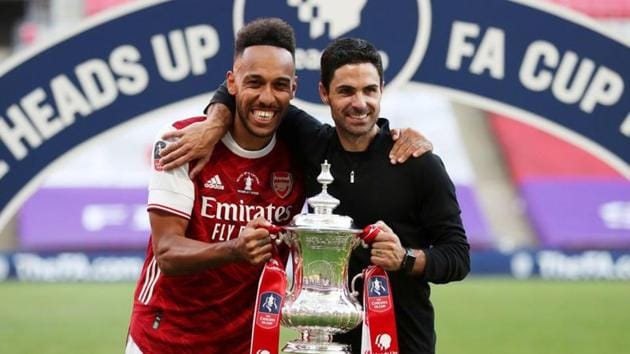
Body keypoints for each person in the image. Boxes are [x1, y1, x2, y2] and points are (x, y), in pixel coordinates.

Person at [161, 38, 470, 353]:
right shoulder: (311, 143)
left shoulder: (417, 163)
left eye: (369, 90)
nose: (360, 103)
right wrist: (214, 125)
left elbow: (458, 256)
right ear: (324, 93)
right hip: (320, 343)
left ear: (381, 90)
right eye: (346, 91)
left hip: (400, 343)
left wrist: (404, 258)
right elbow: (240, 88)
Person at [125, 18, 306, 353]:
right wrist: (235, 248)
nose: (267, 97)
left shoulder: (301, 154)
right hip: (162, 338)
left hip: (244, 343)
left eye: (279, 85)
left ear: (294, 89)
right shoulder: (182, 141)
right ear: (232, 82)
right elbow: (167, 252)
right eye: (255, 82)